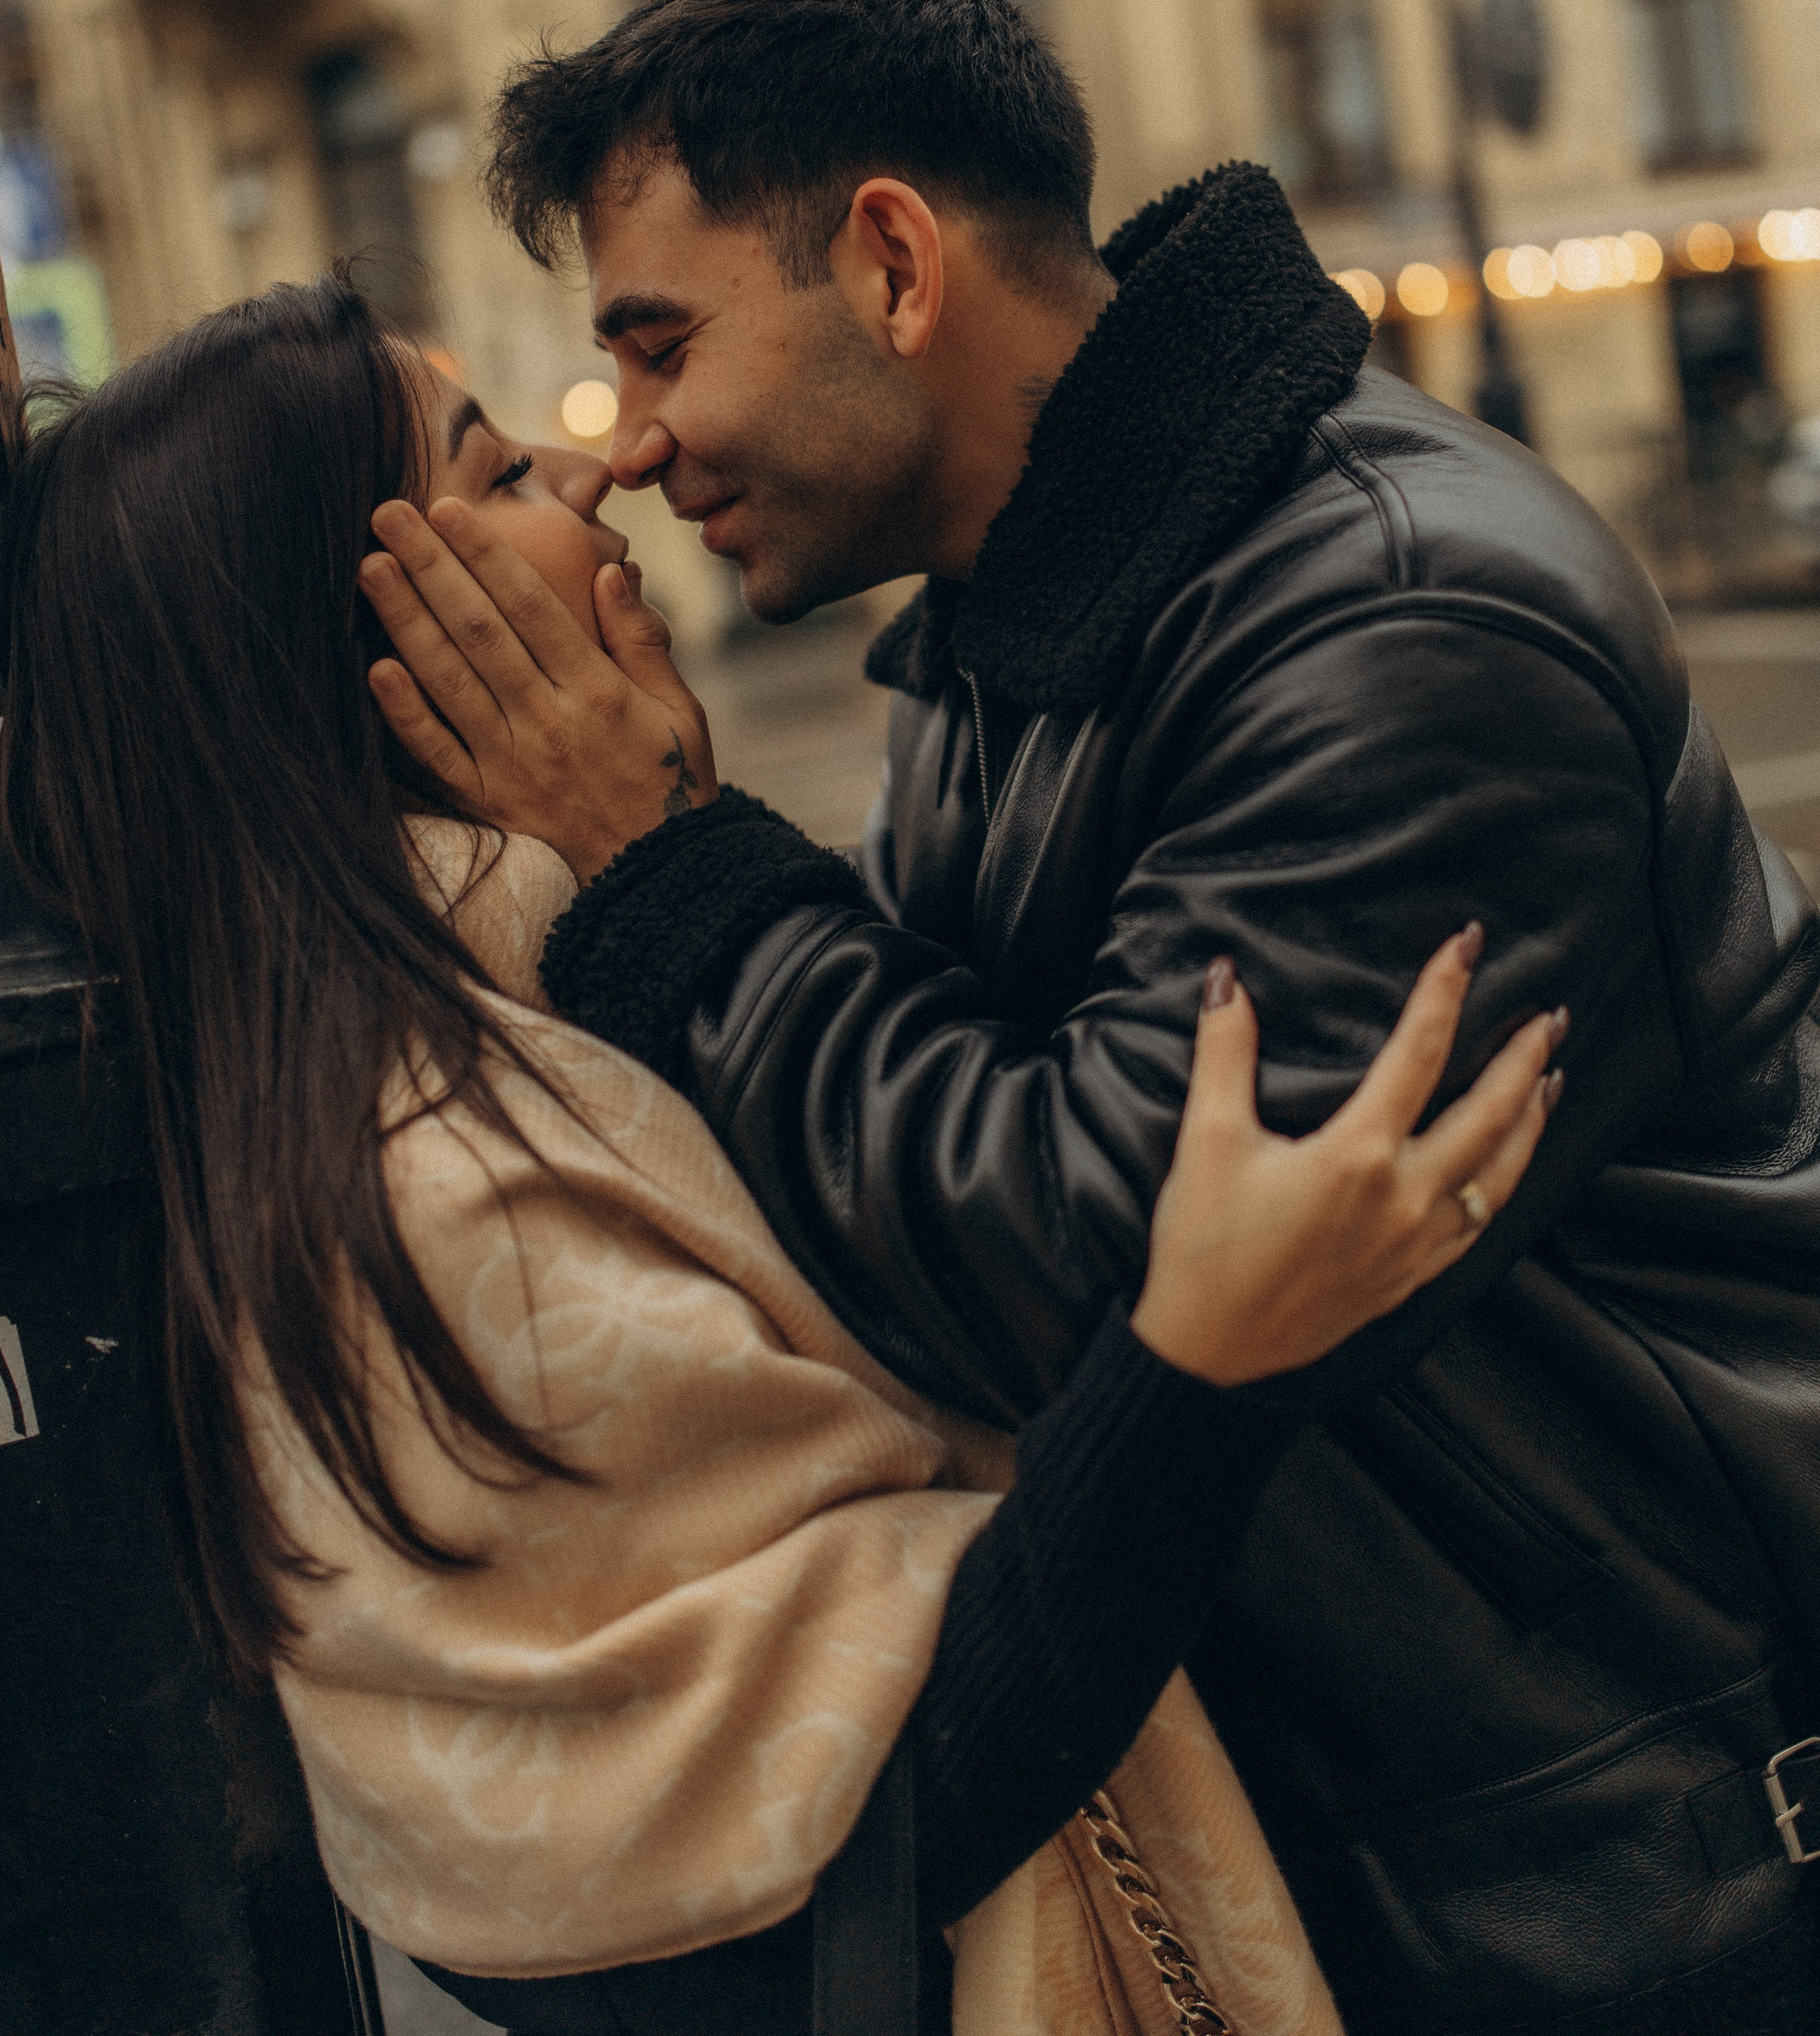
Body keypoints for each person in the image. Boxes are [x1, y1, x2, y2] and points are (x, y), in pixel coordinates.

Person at [361, 0, 1820, 2036]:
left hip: (1638, 1857)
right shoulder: (1024, 630)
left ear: (889, 262)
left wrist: (665, 868)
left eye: (661, 343)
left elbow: (1098, 1275)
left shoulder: (1397, 630)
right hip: (1436, 1825)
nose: (636, 443)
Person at [0, 276, 1560, 2036]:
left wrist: (656, 835)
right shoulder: (453, 1174)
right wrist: (1195, 1362)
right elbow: (873, 1801)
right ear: (354, 649)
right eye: (497, 470)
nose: (591, 476)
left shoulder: (508, 1008)